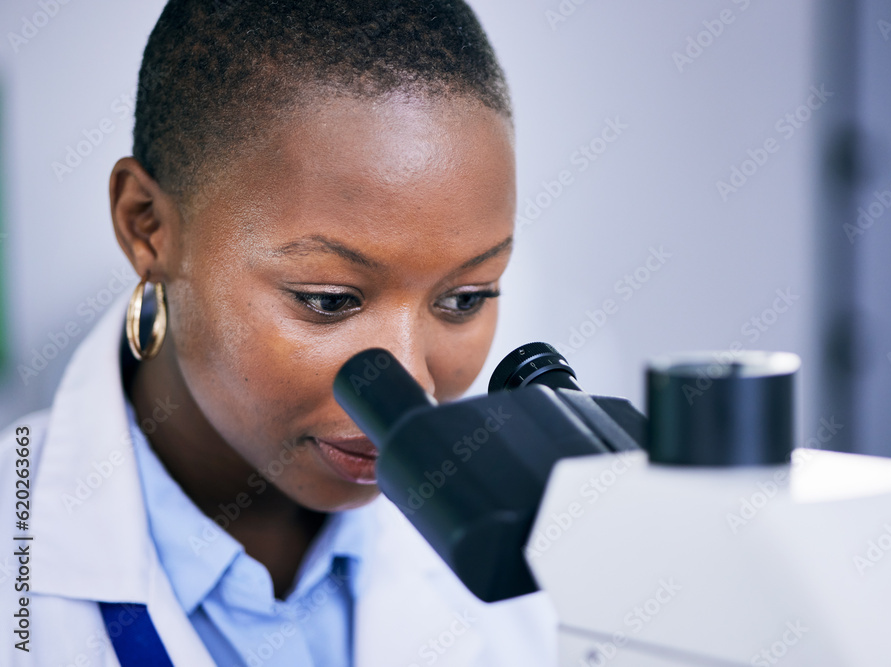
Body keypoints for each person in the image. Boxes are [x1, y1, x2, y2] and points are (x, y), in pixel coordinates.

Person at [0, 1, 558, 665]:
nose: (410, 378)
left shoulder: (539, 564)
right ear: (148, 226)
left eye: (465, 298)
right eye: (329, 299)